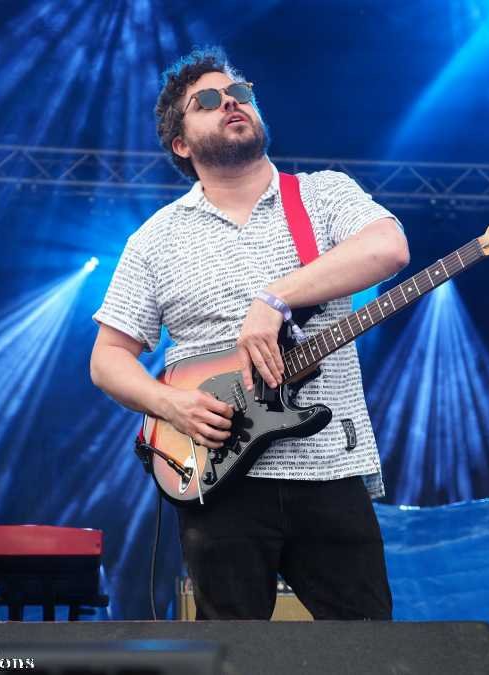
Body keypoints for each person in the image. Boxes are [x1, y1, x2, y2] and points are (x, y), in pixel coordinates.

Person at [90, 47, 409, 620]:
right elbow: (107, 358)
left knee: (369, 647)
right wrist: (171, 404)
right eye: (207, 101)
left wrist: (275, 297)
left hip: (328, 468)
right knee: (230, 652)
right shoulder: (154, 239)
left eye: (239, 92)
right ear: (180, 143)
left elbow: (388, 248)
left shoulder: (322, 194)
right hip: (216, 474)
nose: (231, 102)